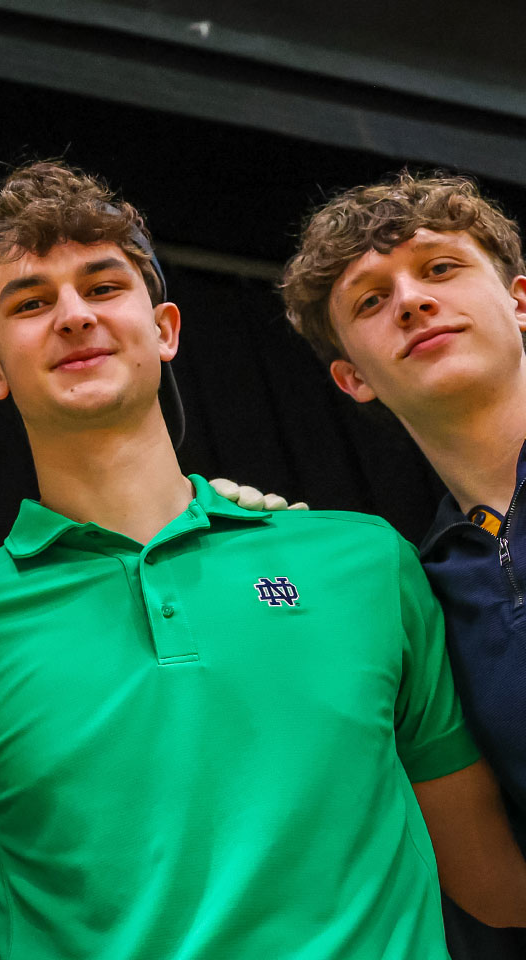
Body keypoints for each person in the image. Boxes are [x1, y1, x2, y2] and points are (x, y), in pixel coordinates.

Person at [0, 160, 526, 959]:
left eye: (103, 287)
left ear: (166, 330)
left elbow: (494, 881)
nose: (74, 316)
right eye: (31, 303)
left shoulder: (366, 563)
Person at [281, 172, 526, 958]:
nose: (413, 301)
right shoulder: (415, 595)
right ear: (352, 378)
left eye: (440, 268)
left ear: (521, 301)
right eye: (370, 301)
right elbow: (495, 883)